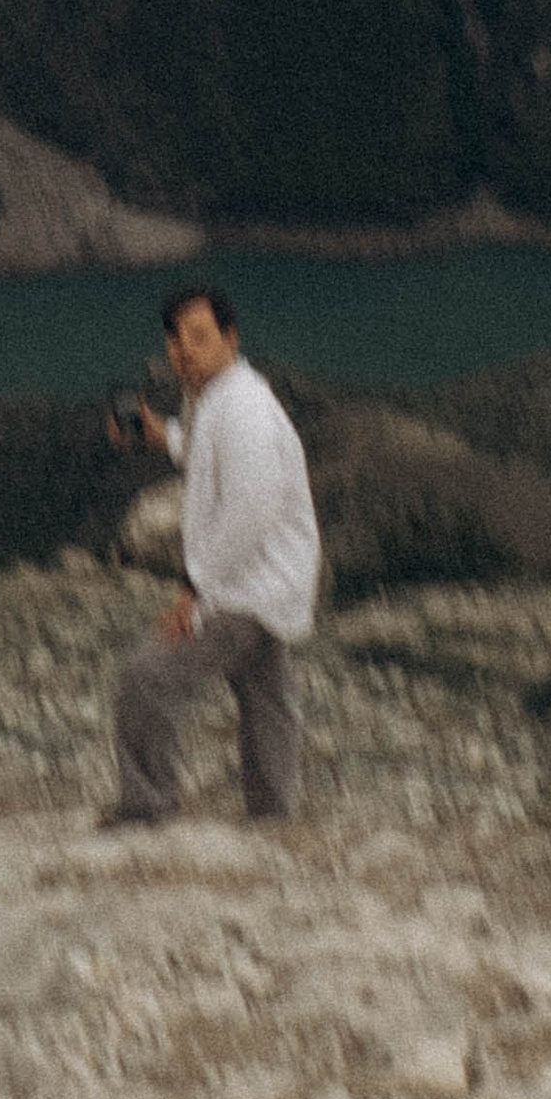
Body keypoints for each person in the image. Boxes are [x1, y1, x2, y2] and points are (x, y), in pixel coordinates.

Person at [103, 283, 320, 824]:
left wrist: (194, 591)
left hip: (246, 587)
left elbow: (248, 512)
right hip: (274, 582)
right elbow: (207, 451)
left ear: (230, 338)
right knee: (267, 699)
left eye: (199, 338)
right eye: (176, 340)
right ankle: (274, 817)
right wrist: (160, 435)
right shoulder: (217, 396)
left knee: (147, 678)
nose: (184, 352)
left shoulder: (242, 410)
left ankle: (149, 806)